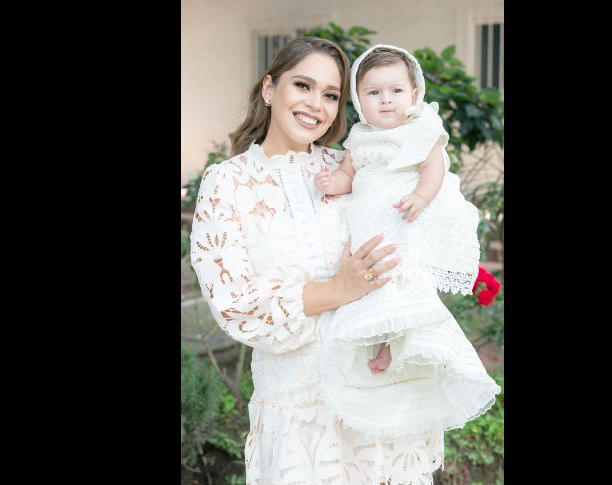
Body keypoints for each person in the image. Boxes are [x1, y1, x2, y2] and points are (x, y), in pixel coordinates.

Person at [189, 37, 444, 484]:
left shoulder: (356, 166)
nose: (316, 105)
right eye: (302, 85)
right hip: (298, 417)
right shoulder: (228, 183)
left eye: (330, 94)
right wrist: (340, 290)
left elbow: (410, 243)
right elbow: (236, 305)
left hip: (377, 399)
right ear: (269, 89)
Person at [314, 44, 501, 441]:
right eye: (374, 93)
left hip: (404, 214)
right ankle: (383, 342)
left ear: (413, 95)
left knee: (405, 283)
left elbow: (433, 170)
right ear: (359, 101)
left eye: (396, 91)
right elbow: (350, 174)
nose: (386, 100)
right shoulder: (358, 139)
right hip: (370, 220)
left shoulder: (421, 131)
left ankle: (399, 345)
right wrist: (336, 182)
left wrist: (420, 197)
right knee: (376, 285)